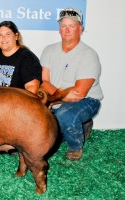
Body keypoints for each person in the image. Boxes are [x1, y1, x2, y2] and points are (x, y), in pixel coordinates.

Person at [40, 8, 103, 160]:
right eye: (63, 26)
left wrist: (54, 99)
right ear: (59, 29)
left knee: (65, 115)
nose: (67, 30)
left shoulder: (89, 55)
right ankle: (81, 125)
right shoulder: (48, 50)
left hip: (87, 100)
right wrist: (57, 99)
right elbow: (44, 81)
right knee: (44, 132)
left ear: (80, 29)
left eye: (72, 26)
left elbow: (79, 94)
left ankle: (75, 147)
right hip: (58, 99)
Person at [0, 21, 42, 94]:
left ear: (16, 36)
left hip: (14, 104)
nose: (3, 38)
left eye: (8, 34)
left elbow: (32, 88)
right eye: (0, 35)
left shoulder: (27, 58)